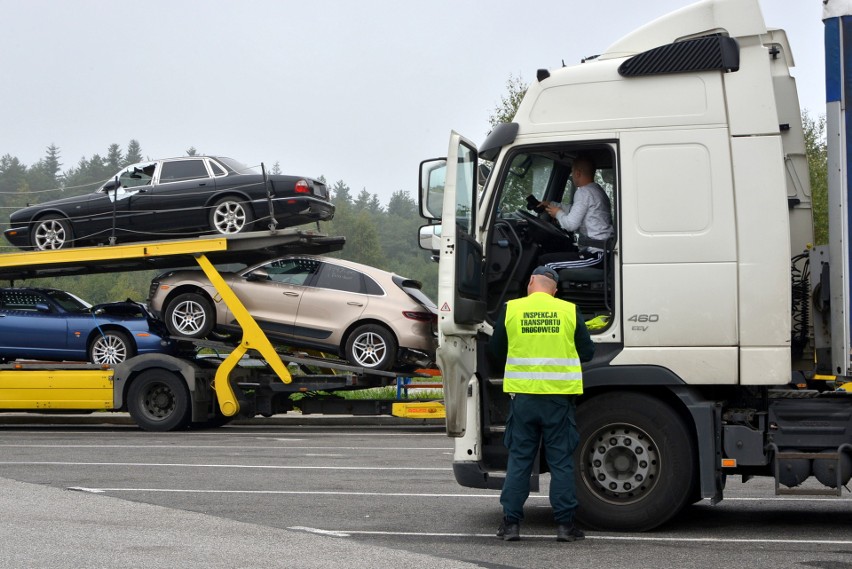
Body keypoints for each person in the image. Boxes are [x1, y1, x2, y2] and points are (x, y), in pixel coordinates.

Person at [488, 266, 595, 542]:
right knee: (561, 462)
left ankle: (511, 525)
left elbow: (497, 349)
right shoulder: (568, 311)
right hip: (558, 400)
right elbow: (587, 351)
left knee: (520, 461)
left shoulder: (512, 309)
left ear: (532, 281)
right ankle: (564, 527)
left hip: (523, 399)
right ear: (554, 290)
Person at [539, 156, 614, 270]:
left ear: (578, 173)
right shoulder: (596, 190)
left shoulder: (584, 192)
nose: (572, 175)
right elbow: (577, 209)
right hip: (602, 251)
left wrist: (558, 213)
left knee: (546, 263)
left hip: (596, 255)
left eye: (572, 172)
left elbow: (570, 225)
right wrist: (552, 205)